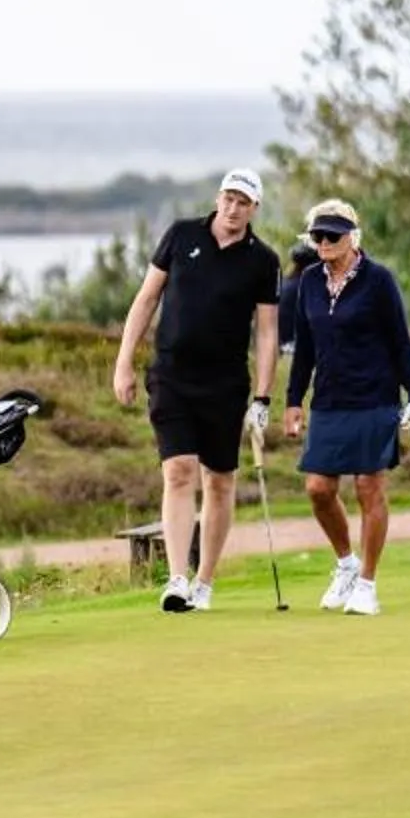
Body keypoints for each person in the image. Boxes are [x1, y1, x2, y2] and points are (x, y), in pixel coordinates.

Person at [110, 169, 281, 611]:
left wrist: (263, 397)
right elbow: (146, 300)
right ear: (218, 198)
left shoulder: (263, 261)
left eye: (243, 202)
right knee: (179, 470)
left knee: (220, 482)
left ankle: (205, 581)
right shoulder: (181, 235)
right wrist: (123, 362)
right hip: (171, 375)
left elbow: (266, 333)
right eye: (228, 198)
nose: (233, 207)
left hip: (226, 383)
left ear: (254, 209)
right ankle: (178, 579)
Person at [281, 198, 410, 616]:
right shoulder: (308, 281)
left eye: (332, 235)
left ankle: (367, 584)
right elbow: (305, 349)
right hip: (329, 399)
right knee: (318, 488)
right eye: (317, 236)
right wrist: (293, 401)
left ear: (352, 237)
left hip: (375, 397)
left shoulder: (378, 280)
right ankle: (346, 564)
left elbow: (400, 341)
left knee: (368, 487)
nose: (324, 242)